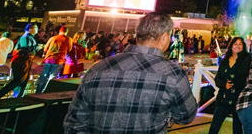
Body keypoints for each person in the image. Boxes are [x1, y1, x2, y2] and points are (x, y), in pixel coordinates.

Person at [64, 12, 198, 134]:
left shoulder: (98, 68)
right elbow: (186, 117)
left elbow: (74, 123)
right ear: (164, 38)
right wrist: (166, 115)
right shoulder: (173, 74)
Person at [210, 37, 252, 134]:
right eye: (235, 44)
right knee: (214, 126)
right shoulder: (225, 60)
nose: (237, 46)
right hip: (224, 97)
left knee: (237, 128)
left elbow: (245, 77)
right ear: (231, 46)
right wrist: (224, 84)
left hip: (238, 98)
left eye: (240, 44)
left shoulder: (246, 59)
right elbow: (217, 79)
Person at [0, 23, 40, 99]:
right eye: (35, 28)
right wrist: (36, 48)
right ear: (30, 29)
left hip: (25, 60)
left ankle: (18, 96)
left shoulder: (30, 37)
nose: (37, 30)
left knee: (23, 81)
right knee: (19, 80)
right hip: (21, 61)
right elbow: (25, 49)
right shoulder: (25, 37)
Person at [36, 25, 73, 93]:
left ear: (59, 31)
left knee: (43, 76)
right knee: (52, 78)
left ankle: (38, 92)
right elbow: (69, 50)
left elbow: (45, 48)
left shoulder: (52, 38)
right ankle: (46, 92)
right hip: (58, 60)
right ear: (67, 32)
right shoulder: (69, 39)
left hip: (48, 59)